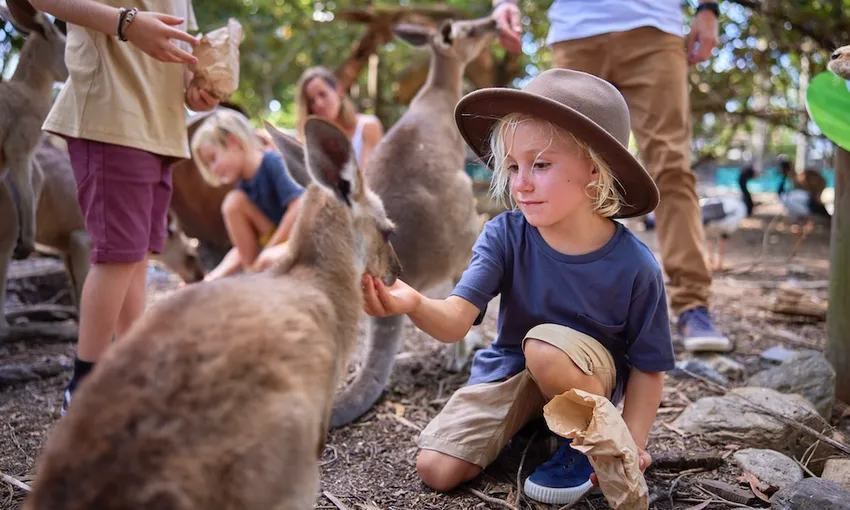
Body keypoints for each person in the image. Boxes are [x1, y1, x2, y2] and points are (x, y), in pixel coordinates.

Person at [361, 68, 675, 505]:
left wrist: (633, 444)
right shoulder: (504, 235)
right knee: (437, 469)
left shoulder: (636, 265)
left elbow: (649, 367)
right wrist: (412, 301)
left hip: (583, 377)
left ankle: (581, 444)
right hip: (512, 369)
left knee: (545, 348)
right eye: (512, 166)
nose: (520, 183)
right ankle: (531, 426)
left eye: (540, 165)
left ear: (593, 169)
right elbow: (456, 321)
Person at [492, 0, 729, 351]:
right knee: (562, 166)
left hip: (655, 28)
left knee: (671, 166)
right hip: (576, 31)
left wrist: (707, 9)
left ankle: (692, 305)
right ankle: (572, 306)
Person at [30, 0, 220, 415]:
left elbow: (184, 54)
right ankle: (85, 386)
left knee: (135, 256)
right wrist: (125, 23)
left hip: (162, 129)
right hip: (112, 115)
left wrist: (198, 91)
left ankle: (131, 372)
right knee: (117, 255)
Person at [190, 109, 305, 279]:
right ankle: (253, 276)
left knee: (234, 204)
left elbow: (299, 206)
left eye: (213, 159)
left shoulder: (272, 162)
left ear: (234, 141)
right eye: (208, 166)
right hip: (275, 244)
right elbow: (241, 248)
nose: (213, 169)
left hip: (300, 237)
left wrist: (268, 251)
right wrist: (212, 278)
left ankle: (257, 277)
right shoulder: (244, 186)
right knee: (233, 203)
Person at [294, 66, 383, 169]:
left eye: (323, 94)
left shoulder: (367, 126)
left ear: (338, 90)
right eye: (311, 101)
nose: (319, 104)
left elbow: (369, 178)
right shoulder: (311, 143)